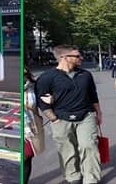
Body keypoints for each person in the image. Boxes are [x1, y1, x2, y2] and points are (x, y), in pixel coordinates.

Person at [36, 45, 102, 184]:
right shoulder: (47, 78)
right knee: (67, 150)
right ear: (64, 58)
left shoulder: (85, 74)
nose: (81, 58)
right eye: (77, 56)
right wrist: (53, 119)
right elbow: (42, 101)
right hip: (61, 118)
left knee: (88, 145)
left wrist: (98, 112)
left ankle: (91, 179)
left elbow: (93, 95)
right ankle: (73, 176)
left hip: (85, 116)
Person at [23, 65, 44, 184]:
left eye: (25, 75)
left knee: (27, 156)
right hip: (17, 126)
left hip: (31, 126)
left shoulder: (33, 87)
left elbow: (40, 103)